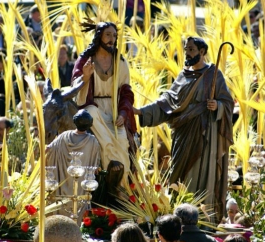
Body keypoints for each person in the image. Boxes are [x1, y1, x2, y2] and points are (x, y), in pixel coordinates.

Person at [133, 36, 234, 222]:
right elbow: (167, 102)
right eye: (186, 49)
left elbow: (228, 102)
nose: (187, 53)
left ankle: (203, 220)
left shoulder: (214, 74)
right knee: (180, 176)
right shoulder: (183, 75)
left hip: (205, 135)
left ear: (202, 52)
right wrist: (141, 111)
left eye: (191, 50)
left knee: (201, 174)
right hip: (183, 134)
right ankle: (180, 218)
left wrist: (217, 105)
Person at [71, 21, 137, 200]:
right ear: (99, 35)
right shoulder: (86, 60)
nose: (111, 40)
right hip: (95, 109)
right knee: (90, 112)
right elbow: (76, 90)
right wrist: (85, 77)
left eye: (114, 36)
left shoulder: (120, 62)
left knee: (123, 143)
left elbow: (126, 91)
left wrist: (123, 113)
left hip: (115, 112)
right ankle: (107, 175)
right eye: (108, 35)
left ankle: (122, 191)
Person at [45, 109, 100, 218]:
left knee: (61, 202)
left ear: (75, 122)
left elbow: (48, 150)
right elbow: (95, 164)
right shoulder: (92, 141)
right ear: (90, 124)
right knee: (77, 203)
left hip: (62, 179)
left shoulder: (64, 136)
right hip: (80, 183)